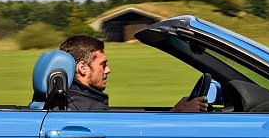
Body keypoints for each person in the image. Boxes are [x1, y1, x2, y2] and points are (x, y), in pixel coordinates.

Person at [58, 34, 207, 113]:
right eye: (103, 64)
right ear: (83, 68)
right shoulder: (87, 110)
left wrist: (174, 111)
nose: (108, 70)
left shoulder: (76, 101)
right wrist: (178, 117)